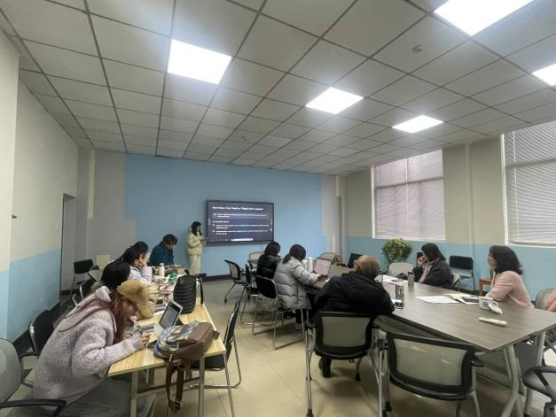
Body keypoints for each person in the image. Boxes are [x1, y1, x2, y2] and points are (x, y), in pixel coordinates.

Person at [33, 281, 155, 417]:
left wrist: (121, 338)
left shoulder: (102, 303)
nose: (134, 314)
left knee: (140, 378)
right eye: (135, 309)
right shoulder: (99, 319)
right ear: (125, 300)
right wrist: (129, 345)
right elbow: (83, 365)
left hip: (69, 380)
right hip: (59, 396)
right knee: (142, 398)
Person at [314, 255, 394, 378]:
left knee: (333, 324)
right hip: (360, 341)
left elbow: (317, 302)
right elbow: (388, 311)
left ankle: (326, 361)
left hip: (328, 338)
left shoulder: (335, 282)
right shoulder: (380, 294)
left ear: (357, 268)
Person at [274, 244, 321, 312]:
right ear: (300, 256)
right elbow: (309, 279)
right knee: (315, 295)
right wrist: (316, 275)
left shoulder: (283, 261)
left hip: (281, 298)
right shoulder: (294, 264)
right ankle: (311, 318)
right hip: (291, 300)